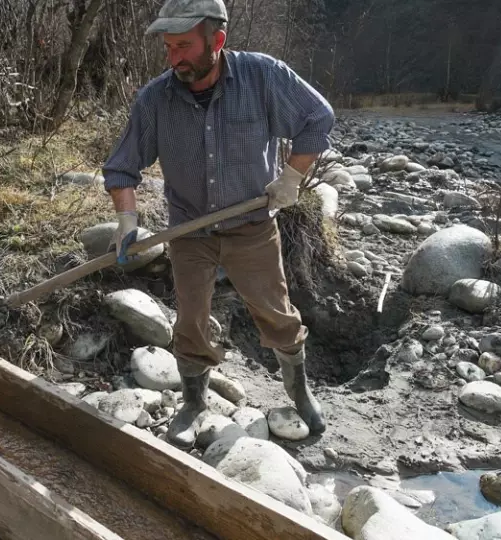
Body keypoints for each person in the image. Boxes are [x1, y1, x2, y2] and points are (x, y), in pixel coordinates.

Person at [101, 0, 336, 449]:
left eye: (184, 46)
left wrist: (291, 177)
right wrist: (126, 220)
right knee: (190, 318)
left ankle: (298, 390)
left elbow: (318, 117)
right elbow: (121, 166)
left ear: (218, 40)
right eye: (169, 48)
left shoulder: (262, 76)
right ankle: (193, 403)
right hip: (189, 230)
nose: (174, 58)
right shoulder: (156, 98)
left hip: (251, 224)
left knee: (276, 312)